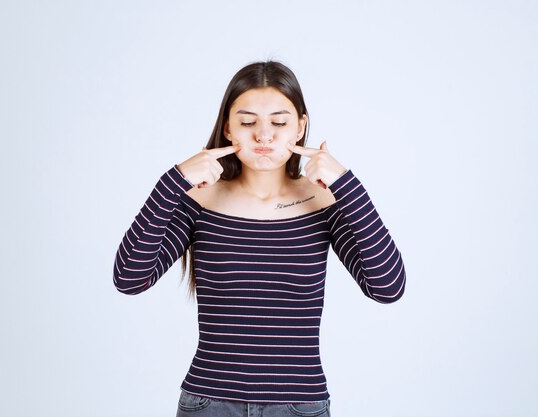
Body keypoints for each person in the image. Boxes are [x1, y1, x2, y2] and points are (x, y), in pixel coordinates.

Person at [113, 60, 406, 417]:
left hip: (299, 405)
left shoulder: (323, 201)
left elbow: (387, 287)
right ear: (228, 129)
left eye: (279, 122)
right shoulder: (201, 199)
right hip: (210, 403)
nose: (264, 135)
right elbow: (129, 278)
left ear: (300, 127)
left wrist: (347, 184)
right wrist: (171, 182)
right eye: (248, 122)